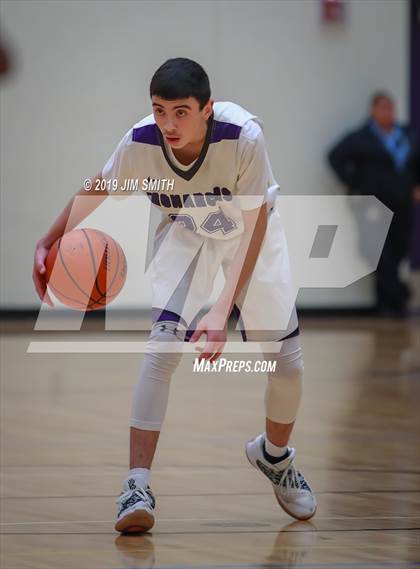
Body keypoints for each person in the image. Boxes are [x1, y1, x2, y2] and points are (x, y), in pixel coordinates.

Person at [32, 58, 316, 533]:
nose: (168, 124)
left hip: (251, 238)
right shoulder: (141, 141)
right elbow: (102, 184)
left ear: (206, 108)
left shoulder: (243, 136)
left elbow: (253, 226)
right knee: (162, 347)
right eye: (160, 110)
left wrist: (223, 310)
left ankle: (274, 456)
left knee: (286, 362)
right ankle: (136, 485)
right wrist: (49, 238)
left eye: (181, 112)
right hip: (186, 235)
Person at [328, 91, 420, 317]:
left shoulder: (406, 135)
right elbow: (335, 156)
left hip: (402, 202)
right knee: (377, 251)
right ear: (373, 111)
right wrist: (355, 183)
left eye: (390, 108)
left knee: (398, 249)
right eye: (382, 108)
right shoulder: (362, 138)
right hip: (373, 204)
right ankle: (398, 295)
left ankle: (388, 304)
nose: (387, 112)